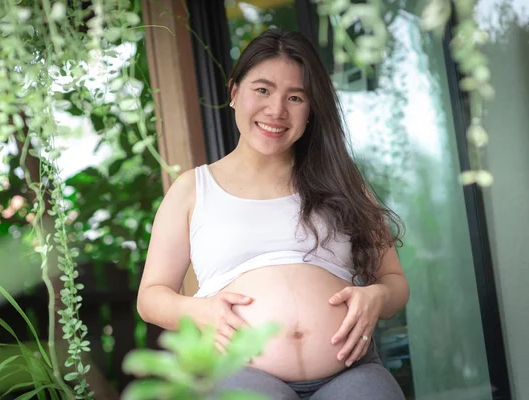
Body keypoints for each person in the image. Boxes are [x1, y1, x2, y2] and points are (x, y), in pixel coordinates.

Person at [137, 28, 409, 400]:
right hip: (238, 369)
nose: (276, 110)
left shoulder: (343, 182)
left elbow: (394, 281)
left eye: (295, 97)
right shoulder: (191, 189)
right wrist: (200, 312)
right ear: (234, 93)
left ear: (311, 110)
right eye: (262, 90)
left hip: (351, 370)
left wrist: (376, 297)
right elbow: (150, 297)